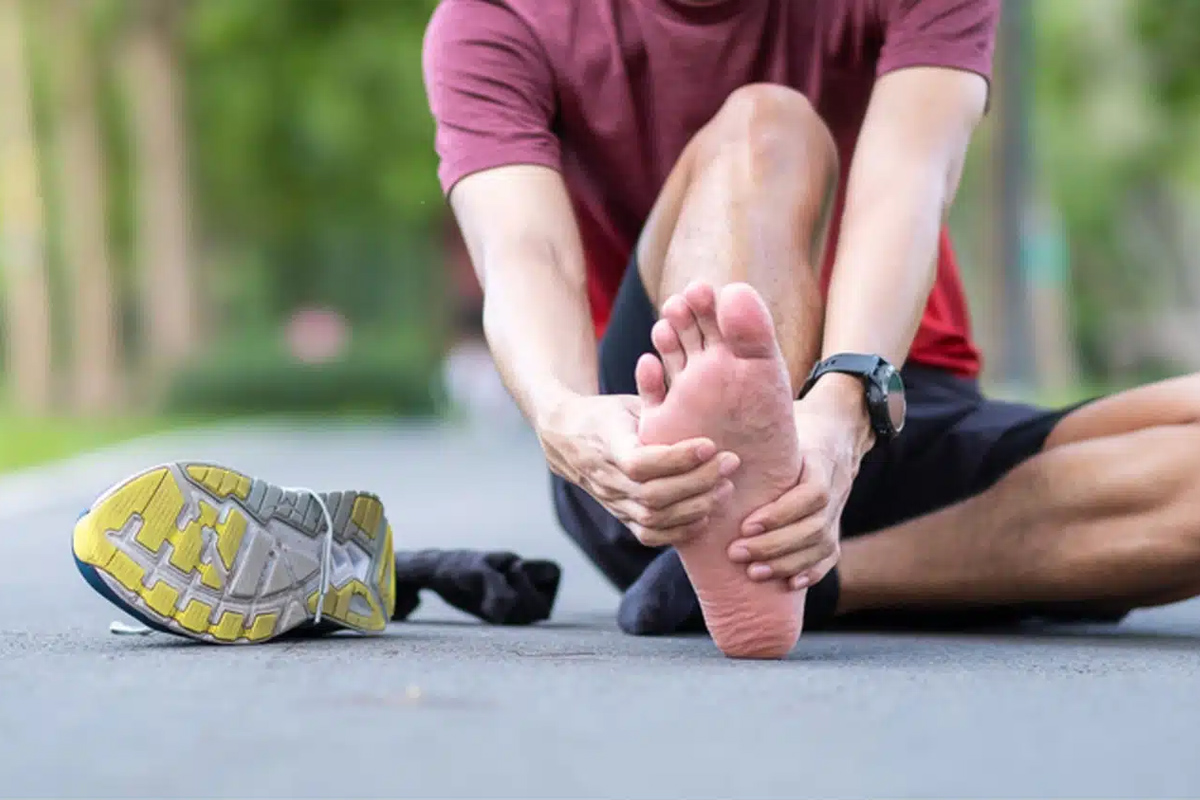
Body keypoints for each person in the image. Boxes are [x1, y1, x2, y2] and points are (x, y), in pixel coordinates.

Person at [419, 0, 1200, 658]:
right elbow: (527, 253)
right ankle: (739, 498)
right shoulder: (494, 19)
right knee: (771, 126)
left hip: (883, 401)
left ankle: (818, 577)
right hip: (658, 464)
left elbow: (908, 186)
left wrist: (839, 410)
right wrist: (563, 414)